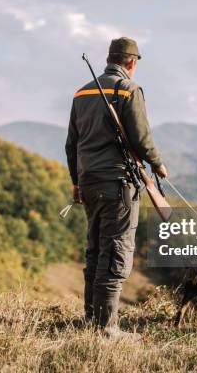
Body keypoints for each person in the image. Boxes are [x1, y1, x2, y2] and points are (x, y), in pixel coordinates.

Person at [65, 37, 167, 339]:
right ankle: (107, 329)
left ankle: (91, 322)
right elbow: (141, 136)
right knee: (117, 252)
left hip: (88, 181)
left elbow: (72, 143)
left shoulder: (81, 92)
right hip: (118, 183)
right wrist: (157, 164)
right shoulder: (129, 90)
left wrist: (75, 181)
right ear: (132, 63)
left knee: (96, 252)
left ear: (110, 58)